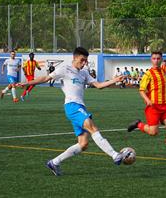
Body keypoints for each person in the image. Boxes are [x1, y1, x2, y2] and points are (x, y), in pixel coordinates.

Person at [18, 47, 130, 176]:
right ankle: (114, 155)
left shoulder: (84, 72)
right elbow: (45, 78)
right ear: (75, 58)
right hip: (72, 106)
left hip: (81, 107)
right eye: (82, 60)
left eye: (86, 61)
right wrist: (27, 83)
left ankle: (54, 162)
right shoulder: (65, 69)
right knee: (93, 127)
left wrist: (114, 80)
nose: (84, 63)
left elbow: (98, 85)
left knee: (83, 144)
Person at [127, 51, 166, 160]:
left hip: (165, 106)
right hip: (154, 107)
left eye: (158, 58)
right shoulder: (148, 74)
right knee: (153, 132)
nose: (156, 60)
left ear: (161, 59)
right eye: (154, 58)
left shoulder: (164, 71)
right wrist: (147, 100)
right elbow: (141, 90)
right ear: (151, 60)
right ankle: (139, 124)